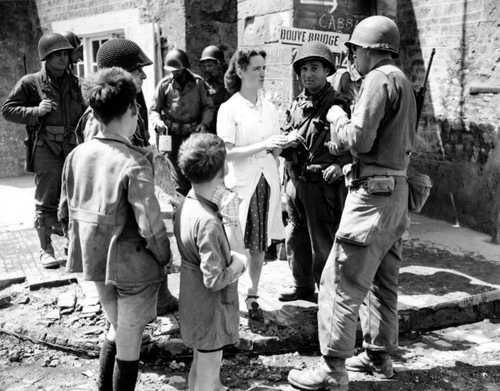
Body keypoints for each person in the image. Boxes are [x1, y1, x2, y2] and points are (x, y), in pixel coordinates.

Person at [287, 16, 416, 390]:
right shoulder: (403, 81)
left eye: (354, 51)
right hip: (395, 194)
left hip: (372, 197)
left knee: (338, 281)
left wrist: (337, 116)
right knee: (382, 282)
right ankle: (379, 356)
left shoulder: (378, 79)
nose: (351, 59)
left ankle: (332, 369)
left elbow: (358, 140)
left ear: (369, 50)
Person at [58, 67, 171, 391]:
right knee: (129, 340)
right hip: (132, 267)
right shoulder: (134, 161)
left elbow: (67, 212)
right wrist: (163, 256)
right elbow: (149, 225)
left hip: (93, 264)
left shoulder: (76, 155)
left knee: (115, 327)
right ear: (133, 110)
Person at [2, 32, 86, 269]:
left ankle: (73, 243)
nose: (62, 59)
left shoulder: (77, 83)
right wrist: (36, 111)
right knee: (46, 199)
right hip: (46, 147)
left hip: (73, 147)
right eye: (56, 55)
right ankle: (45, 248)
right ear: (45, 58)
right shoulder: (30, 83)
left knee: (73, 196)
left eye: (64, 54)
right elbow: (8, 110)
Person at [217, 49, 287, 320]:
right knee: (235, 243)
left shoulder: (270, 108)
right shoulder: (229, 108)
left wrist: (279, 147)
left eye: (263, 67)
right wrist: (264, 145)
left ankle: (253, 292)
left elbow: (274, 146)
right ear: (241, 71)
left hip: (266, 180)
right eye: (256, 68)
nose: (262, 73)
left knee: (259, 242)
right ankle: (230, 295)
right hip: (241, 184)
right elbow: (227, 152)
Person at [279, 42, 350, 303]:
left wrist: (342, 165)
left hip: (323, 186)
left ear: (327, 71)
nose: (309, 74)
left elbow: (357, 142)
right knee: (295, 236)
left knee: (323, 241)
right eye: (305, 69)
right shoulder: (298, 103)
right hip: (296, 181)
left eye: (315, 68)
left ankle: (328, 293)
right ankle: (302, 285)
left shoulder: (339, 104)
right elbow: (287, 131)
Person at [174, 133, 247, 391]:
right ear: (223, 168)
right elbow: (214, 279)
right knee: (207, 372)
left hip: (192, 303)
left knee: (199, 365)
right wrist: (237, 265)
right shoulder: (208, 222)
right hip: (210, 311)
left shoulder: (187, 204)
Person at [151, 48, 215, 196]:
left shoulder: (198, 83)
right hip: (172, 136)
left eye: (177, 70)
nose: (174, 73)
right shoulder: (164, 85)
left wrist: (204, 124)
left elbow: (208, 106)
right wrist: (157, 121)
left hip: (192, 135)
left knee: (195, 172)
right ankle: (179, 208)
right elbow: (154, 109)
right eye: (171, 71)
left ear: (185, 68)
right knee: (177, 177)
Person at [75, 38, 152, 147]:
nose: (144, 76)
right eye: (138, 70)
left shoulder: (128, 105)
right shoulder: (99, 117)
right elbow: (98, 159)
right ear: (120, 74)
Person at [199, 45, 230, 133]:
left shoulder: (233, 81)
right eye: (205, 66)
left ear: (220, 63)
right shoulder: (205, 85)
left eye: (210, 65)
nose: (207, 69)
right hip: (212, 130)